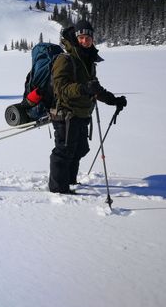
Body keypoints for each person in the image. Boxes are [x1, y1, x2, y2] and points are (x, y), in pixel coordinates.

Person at [48, 20, 126, 194]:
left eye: (88, 38)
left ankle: (70, 181)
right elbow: (61, 89)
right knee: (64, 152)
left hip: (82, 113)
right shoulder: (65, 59)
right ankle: (59, 189)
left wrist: (113, 100)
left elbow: (95, 88)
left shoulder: (88, 59)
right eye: (81, 37)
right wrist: (83, 88)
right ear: (76, 38)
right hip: (66, 113)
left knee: (79, 150)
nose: (85, 41)